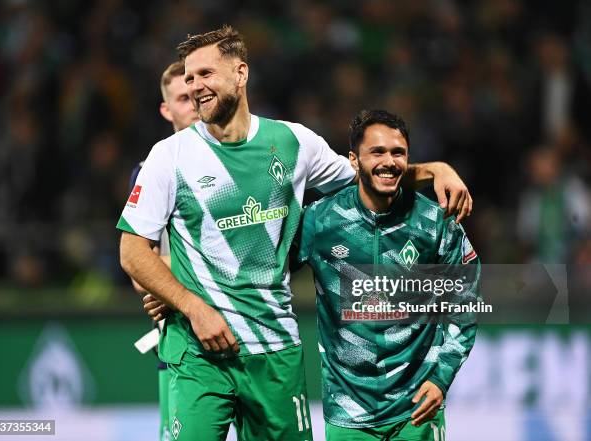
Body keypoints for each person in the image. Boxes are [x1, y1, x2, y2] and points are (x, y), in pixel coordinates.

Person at [118, 25, 473, 441]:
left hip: (274, 351)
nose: (196, 86)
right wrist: (190, 305)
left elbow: (368, 177)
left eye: (206, 74)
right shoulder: (169, 157)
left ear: (240, 73)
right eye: (190, 78)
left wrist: (434, 171)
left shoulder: (293, 142)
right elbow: (132, 252)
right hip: (200, 351)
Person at [296, 109, 480, 440]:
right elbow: (263, 272)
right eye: (377, 152)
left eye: (398, 153)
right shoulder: (320, 221)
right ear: (354, 160)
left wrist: (441, 378)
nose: (389, 161)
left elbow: (464, 304)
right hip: (347, 410)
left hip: (416, 408)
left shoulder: (434, 222)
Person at [129, 60, 199, 441]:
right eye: (182, 98)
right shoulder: (150, 172)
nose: (192, 103)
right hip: (177, 336)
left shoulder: (238, 163)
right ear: (166, 109)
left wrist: (168, 274)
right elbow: (140, 266)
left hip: (245, 330)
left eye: (196, 96)